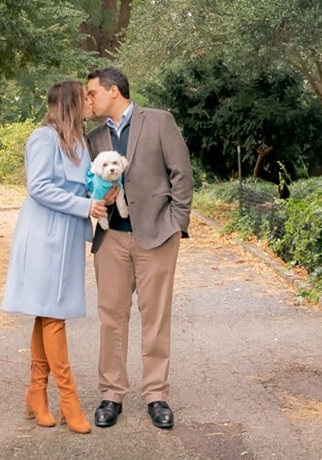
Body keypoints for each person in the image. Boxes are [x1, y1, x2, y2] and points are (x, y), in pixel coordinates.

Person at [84, 66, 193, 431]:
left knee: (156, 316)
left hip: (157, 235)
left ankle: (156, 395)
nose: (89, 100)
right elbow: (88, 183)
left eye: (93, 93)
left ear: (113, 91)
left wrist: (177, 224)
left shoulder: (159, 121)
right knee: (111, 316)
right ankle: (111, 394)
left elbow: (181, 173)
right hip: (111, 237)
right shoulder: (93, 136)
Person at [0, 79, 96, 434]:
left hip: (68, 232)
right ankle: (69, 400)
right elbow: (37, 186)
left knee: (48, 312)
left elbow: (86, 181)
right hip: (43, 232)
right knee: (54, 314)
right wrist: (84, 205)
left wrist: (102, 194)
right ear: (70, 103)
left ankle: (35, 393)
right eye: (84, 98)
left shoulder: (79, 140)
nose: (90, 102)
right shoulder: (43, 137)